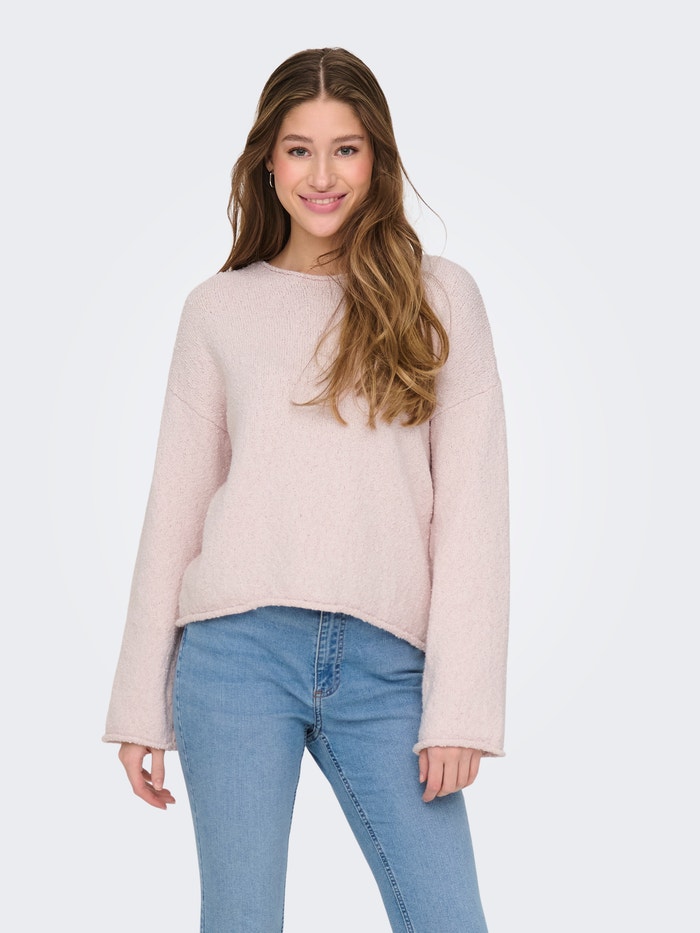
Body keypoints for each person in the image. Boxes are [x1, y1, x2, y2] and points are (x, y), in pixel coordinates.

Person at [103, 46, 510, 933]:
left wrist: (462, 707)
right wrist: (139, 703)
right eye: (299, 149)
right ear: (267, 160)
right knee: (241, 919)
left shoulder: (440, 298)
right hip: (235, 657)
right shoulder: (218, 308)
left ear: (378, 158)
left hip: (388, 667)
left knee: (449, 918)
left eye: (345, 148)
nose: (322, 176)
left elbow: (473, 512)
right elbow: (174, 510)